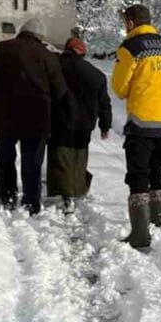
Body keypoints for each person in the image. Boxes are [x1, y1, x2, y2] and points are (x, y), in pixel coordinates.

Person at [0, 19, 67, 215]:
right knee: (32, 161)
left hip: (4, 116)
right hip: (37, 119)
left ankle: (7, 195)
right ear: (40, 37)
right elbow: (60, 91)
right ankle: (31, 201)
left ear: (21, 32)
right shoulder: (47, 56)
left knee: (5, 157)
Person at [111, 4, 161, 250]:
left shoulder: (131, 48)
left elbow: (119, 89)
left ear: (130, 23)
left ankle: (140, 234)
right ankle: (156, 220)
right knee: (157, 169)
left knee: (138, 174)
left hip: (141, 122)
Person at [48, 36, 113, 211]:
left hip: (58, 120)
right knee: (79, 156)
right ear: (83, 53)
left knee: (60, 155)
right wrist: (105, 125)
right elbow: (104, 103)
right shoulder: (97, 75)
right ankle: (77, 189)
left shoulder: (55, 67)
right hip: (85, 124)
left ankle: (63, 194)